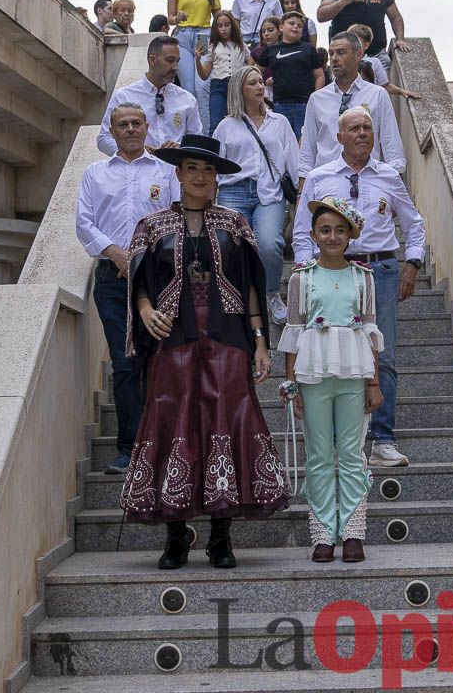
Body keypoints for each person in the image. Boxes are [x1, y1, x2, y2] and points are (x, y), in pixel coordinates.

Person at [121, 134, 290, 570]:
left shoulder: (235, 224)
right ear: (178, 173)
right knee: (172, 421)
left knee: (226, 421)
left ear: (217, 177)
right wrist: (146, 311)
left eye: (208, 169)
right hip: (172, 339)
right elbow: (139, 282)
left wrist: (260, 342)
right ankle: (176, 537)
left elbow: (251, 287)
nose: (200, 176)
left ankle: (221, 537)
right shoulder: (152, 225)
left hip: (227, 339)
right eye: (192, 168)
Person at [294, 107, 425, 467]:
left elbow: (414, 224)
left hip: (380, 270)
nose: (363, 133)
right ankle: (340, 444)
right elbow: (302, 230)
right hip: (332, 271)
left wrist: (413, 263)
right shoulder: (319, 177)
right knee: (333, 351)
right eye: (354, 128)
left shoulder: (389, 176)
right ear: (339, 138)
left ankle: (383, 440)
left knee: (384, 353)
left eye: (368, 127)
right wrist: (306, 273)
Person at [77, 102, 180, 473]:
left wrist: (144, 258)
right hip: (112, 279)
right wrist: (116, 253)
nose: (131, 129)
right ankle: (130, 448)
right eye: (123, 124)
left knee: (159, 360)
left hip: (158, 279)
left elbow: (176, 219)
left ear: (147, 127)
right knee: (124, 363)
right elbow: (84, 223)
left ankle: (164, 445)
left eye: (137, 123)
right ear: (112, 131)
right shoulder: (94, 174)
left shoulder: (166, 170)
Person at [280, 197, 382, 562]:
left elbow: (370, 331)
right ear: (313, 235)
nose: (332, 236)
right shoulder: (301, 278)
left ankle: (353, 532)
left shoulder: (363, 277)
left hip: (353, 371)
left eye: (340, 230)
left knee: (352, 454)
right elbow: (293, 332)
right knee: (320, 454)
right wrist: (292, 384)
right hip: (313, 373)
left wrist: (373, 382)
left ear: (350, 236)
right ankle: (322, 533)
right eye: (325, 230)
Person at [213, 66, 300, 324]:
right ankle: (236, 297)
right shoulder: (226, 126)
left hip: (270, 192)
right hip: (233, 191)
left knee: (270, 245)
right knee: (228, 246)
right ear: (239, 89)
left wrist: (300, 199)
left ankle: (271, 293)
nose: (260, 86)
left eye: (261, 81)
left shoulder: (279, 122)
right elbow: (214, 168)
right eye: (252, 83)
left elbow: (294, 163)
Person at [298, 32, 404, 180]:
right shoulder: (317, 99)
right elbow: (307, 151)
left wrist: (393, 183)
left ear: (358, 55)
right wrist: (302, 189)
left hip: (367, 179)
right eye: (331, 53)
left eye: (341, 52)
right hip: (326, 181)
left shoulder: (377, 95)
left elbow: (391, 144)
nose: (334, 58)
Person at [97, 35, 201, 157]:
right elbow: (103, 138)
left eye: (177, 61)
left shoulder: (187, 100)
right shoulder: (124, 96)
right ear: (152, 60)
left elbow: (198, 141)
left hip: (175, 168)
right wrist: (135, 151)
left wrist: (181, 147)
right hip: (137, 167)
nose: (175, 67)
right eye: (170, 60)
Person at [168, 0, 220, 134]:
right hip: (182, 35)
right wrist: (178, 17)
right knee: (189, 89)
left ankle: (205, 135)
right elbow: (170, 19)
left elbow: (219, 19)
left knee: (202, 86)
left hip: (203, 36)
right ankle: (191, 133)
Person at [254, 12, 326, 139]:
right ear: (281, 27)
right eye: (291, 23)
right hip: (279, 105)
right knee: (281, 143)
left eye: (299, 25)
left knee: (304, 143)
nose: (295, 27)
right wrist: (261, 88)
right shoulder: (271, 50)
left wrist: (314, 98)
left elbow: (320, 76)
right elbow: (254, 71)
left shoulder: (308, 49)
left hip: (304, 105)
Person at [196, 11, 250, 132]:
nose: (224, 29)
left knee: (239, 123)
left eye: (227, 25)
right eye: (220, 26)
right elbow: (204, 75)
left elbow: (251, 62)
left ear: (232, 25)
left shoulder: (241, 45)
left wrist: (244, 74)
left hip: (237, 86)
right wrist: (198, 60)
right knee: (216, 124)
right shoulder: (212, 46)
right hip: (218, 85)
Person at [347, 24, 420, 100]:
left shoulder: (374, 62)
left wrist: (401, 91)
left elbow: (385, 85)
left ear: (366, 45)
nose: (352, 45)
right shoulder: (343, 61)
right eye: (350, 41)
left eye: (356, 42)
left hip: (368, 101)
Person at [250, 16, 282, 103]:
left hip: (282, 93)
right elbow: (248, 74)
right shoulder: (256, 52)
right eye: (263, 31)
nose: (266, 34)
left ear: (280, 31)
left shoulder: (287, 50)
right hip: (262, 93)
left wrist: (277, 78)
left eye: (270, 30)